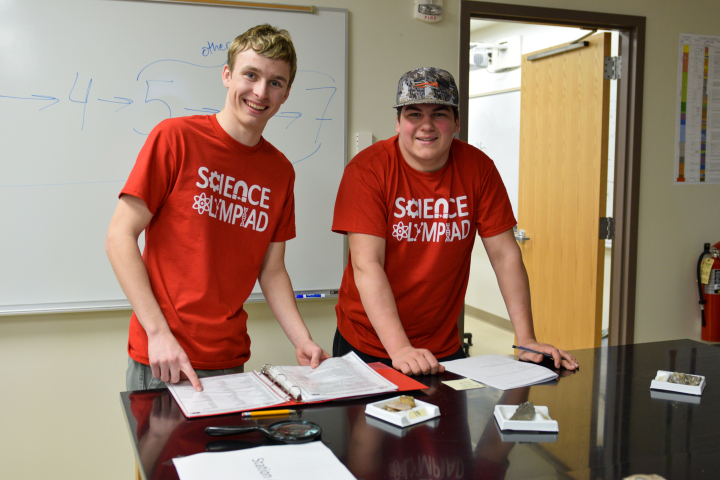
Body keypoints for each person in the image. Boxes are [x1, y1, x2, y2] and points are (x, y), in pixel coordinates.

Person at [106, 24, 329, 393]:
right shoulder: (175, 138)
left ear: (286, 93)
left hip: (229, 358)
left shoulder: (280, 171)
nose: (260, 91)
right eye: (251, 75)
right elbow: (119, 237)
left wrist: (302, 339)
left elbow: (271, 271)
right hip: (165, 356)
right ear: (227, 76)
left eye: (275, 82)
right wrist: (158, 333)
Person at [331, 67, 578, 376]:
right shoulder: (367, 171)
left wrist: (526, 338)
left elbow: (504, 255)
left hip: (443, 344)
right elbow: (367, 265)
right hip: (369, 344)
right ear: (398, 122)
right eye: (414, 114)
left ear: (457, 122)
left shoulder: (479, 169)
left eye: (439, 114)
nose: (426, 126)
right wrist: (401, 349)